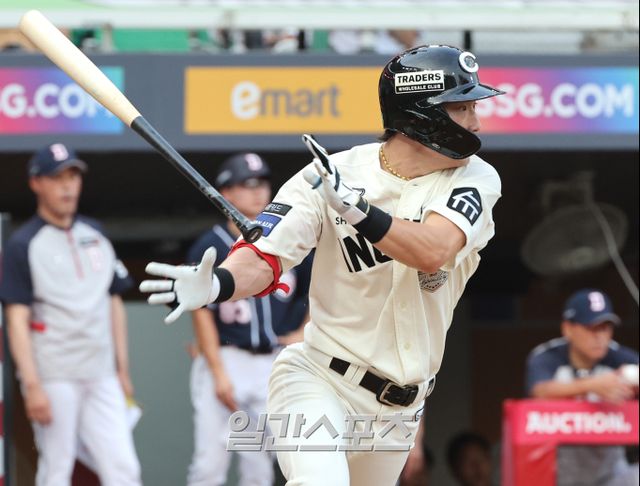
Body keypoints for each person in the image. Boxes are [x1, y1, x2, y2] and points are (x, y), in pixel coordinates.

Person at [140, 44, 504, 486]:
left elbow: (432, 250)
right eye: (461, 108)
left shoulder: (476, 178)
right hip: (321, 380)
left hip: (399, 409)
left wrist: (358, 212)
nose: (475, 122)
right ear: (421, 114)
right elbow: (266, 257)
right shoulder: (331, 175)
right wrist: (219, 284)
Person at [0, 143, 142, 486]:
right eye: (57, 178)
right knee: (57, 470)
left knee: (124, 469)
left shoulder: (96, 233)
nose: (67, 186)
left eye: (73, 177)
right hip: (55, 374)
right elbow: (16, 319)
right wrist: (32, 384)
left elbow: (113, 301)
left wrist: (122, 369)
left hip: (102, 372)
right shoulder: (23, 244)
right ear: (36, 183)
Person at [185, 153, 312, 486]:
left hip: (272, 360)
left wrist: (303, 331)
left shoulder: (287, 240)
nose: (258, 192)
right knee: (209, 466)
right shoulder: (209, 245)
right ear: (226, 192)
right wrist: (217, 371)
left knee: (260, 468)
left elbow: (318, 290)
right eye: (247, 184)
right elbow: (200, 311)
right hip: (227, 358)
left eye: (262, 183)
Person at [525, 288, 640, 486]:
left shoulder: (620, 357)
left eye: (605, 328)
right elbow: (539, 392)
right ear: (568, 328)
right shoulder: (547, 356)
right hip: (559, 474)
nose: (600, 337)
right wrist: (592, 385)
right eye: (591, 328)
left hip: (610, 473)